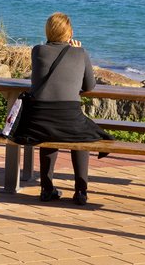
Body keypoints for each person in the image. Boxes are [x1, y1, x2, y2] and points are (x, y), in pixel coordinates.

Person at [14, 12, 112, 205]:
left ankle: (47, 189)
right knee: (81, 136)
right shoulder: (80, 53)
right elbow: (90, 86)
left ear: (48, 31)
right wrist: (75, 53)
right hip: (68, 114)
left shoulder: (37, 51)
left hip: (39, 117)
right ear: (70, 33)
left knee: (47, 132)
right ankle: (81, 191)